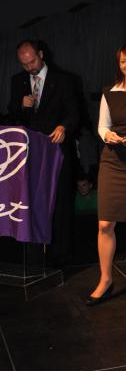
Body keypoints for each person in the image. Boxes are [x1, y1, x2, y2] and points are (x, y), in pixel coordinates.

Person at [86, 43, 126, 306]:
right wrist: (108, 135)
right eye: (123, 61)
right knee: (105, 224)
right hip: (113, 161)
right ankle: (105, 279)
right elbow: (102, 126)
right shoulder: (109, 93)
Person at [8, 39, 79, 263]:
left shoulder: (64, 79)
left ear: (40, 54)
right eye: (24, 64)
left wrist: (63, 126)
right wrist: (21, 105)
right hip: (30, 153)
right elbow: (12, 114)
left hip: (57, 150)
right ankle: (34, 253)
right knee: (31, 200)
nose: (29, 67)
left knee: (60, 201)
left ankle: (61, 254)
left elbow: (74, 112)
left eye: (32, 62)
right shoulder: (18, 81)